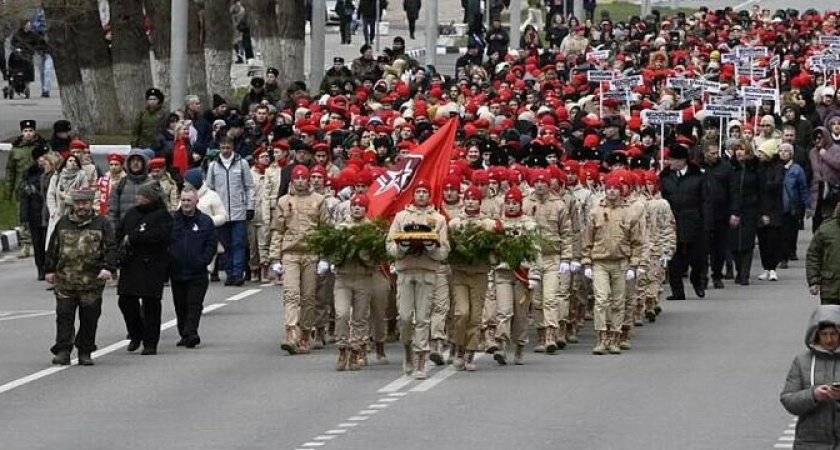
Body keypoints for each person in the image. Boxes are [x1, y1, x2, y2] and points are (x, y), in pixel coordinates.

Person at [44, 188, 118, 366]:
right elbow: (53, 247)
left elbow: (111, 248)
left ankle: (85, 351)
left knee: (89, 318)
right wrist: (49, 270)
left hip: (91, 282)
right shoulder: (63, 223)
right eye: (78, 203)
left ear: (90, 203)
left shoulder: (102, 223)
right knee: (64, 316)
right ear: (73, 204)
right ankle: (63, 350)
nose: (81, 207)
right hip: (65, 281)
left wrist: (108, 267)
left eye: (85, 203)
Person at [386, 181, 449, 379]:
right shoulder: (401, 216)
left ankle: (421, 359)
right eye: (418, 192)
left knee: (423, 318)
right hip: (405, 271)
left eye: (425, 192)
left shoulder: (438, 219)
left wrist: (431, 246)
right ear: (413, 195)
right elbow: (389, 245)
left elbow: (445, 251)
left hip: (427, 271)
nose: (421, 195)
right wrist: (403, 246)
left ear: (430, 195)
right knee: (405, 318)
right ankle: (407, 350)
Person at [269, 164, 329, 355]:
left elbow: (325, 229)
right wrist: (274, 258)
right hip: (290, 254)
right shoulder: (284, 201)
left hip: (311, 254)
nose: (301, 181)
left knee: (309, 297)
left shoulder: (319, 201)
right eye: (297, 178)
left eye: (304, 178)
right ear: (292, 180)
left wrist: (325, 258)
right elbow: (278, 230)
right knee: (291, 294)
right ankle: (290, 333)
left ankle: (305, 334)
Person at [582, 172, 643, 355]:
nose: (612, 192)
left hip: (621, 262)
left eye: (615, 189)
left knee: (618, 302)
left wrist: (634, 265)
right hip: (600, 261)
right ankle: (601, 337)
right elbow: (587, 239)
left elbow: (636, 241)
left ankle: (615, 337)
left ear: (621, 191)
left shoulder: (629, 213)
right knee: (601, 300)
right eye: (609, 189)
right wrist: (586, 262)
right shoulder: (595, 212)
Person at [116, 184, 172, 355]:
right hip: (131, 263)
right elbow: (120, 232)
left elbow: (161, 236)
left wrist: (134, 237)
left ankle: (150, 342)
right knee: (125, 300)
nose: (138, 198)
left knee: (151, 304)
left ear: (149, 198)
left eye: (142, 196)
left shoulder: (162, 215)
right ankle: (136, 332)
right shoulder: (132, 213)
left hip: (152, 264)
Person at [447, 186, 496, 371]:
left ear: (479, 202)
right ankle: (458, 347)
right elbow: (448, 246)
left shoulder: (487, 224)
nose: (470, 202)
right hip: (459, 273)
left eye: (474, 199)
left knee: (476, 316)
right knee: (461, 313)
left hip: (479, 274)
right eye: (467, 198)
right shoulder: (455, 223)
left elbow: (495, 248)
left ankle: (470, 351)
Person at [780, 305, 840, 448]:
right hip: (810, 443)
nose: (829, 339)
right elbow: (788, 400)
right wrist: (813, 395)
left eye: (834, 334)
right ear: (816, 335)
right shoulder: (802, 362)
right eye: (824, 334)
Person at [661, 145, 711, 300]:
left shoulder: (698, 176)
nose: (670, 162)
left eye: (673, 159)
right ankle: (677, 292)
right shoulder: (665, 177)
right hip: (673, 221)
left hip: (694, 221)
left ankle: (698, 281)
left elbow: (706, 201)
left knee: (697, 258)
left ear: (682, 161)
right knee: (674, 259)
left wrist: (707, 223)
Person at [331, 194, 375, 371]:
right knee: (341, 314)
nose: (357, 208)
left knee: (360, 317)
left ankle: (356, 349)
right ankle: (342, 348)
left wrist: (361, 250)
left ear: (366, 209)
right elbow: (334, 253)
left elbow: (375, 259)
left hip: (363, 278)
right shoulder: (341, 228)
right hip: (343, 277)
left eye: (361, 206)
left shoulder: (371, 230)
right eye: (354, 205)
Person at [170, 187, 218, 348]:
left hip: (197, 273)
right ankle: (183, 333)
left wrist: (203, 260)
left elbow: (212, 245)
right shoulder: (173, 220)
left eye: (188, 200)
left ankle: (191, 332)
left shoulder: (205, 221)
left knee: (194, 304)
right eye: (183, 200)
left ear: (196, 201)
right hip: (177, 272)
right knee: (180, 305)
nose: (185, 204)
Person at [205, 136, 256, 285]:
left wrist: (250, 206)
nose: (226, 151)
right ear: (219, 148)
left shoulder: (242, 164)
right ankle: (229, 274)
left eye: (228, 147)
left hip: (238, 210)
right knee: (225, 245)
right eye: (223, 148)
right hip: (221, 212)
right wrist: (210, 209)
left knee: (239, 243)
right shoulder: (213, 166)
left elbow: (249, 186)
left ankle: (238, 273)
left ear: (232, 147)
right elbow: (209, 189)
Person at [728, 140, 762, 285]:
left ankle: (744, 274)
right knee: (734, 243)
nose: (739, 152)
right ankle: (738, 268)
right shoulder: (730, 168)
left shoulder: (755, 168)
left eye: (742, 149)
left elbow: (761, 190)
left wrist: (762, 212)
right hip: (733, 209)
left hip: (750, 209)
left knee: (747, 243)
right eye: (737, 149)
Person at [701, 142, 732, 289]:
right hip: (702, 214)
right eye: (712, 153)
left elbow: (732, 190)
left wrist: (734, 211)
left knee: (719, 248)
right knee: (702, 248)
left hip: (721, 213)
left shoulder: (725, 167)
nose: (715, 156)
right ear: (705, 153)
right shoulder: (698, 168)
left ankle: (717, 275)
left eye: (716, 153)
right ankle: (702, 276)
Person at [19, 144, 50, 279]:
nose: (44, 160)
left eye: (45, 157)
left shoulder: (53, 173)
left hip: (48, 213)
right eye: (41, 157)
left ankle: (50, 268)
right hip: (35, 214)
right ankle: (40, 268)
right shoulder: (29, 175)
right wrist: (24, 217)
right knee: (37, 243)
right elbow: (24, 197)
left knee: (48, 242)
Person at [756, 141, 785, 281]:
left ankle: (773, 267)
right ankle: (765, 267)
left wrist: (767, 184)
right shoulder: (758, 168)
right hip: (761, 208)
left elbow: (777, 184)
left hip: (774, 209)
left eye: (762, 152)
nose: (759, 155)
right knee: (762, 241)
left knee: (773, 240)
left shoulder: (778, 167)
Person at [779, 143, 810, 268]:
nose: (783, 153)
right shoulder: (775, 167)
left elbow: (803, 188)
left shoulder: (797, 169)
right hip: (777, 206)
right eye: (781, 151)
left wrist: (807, 205)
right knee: (778, 233)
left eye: (786, 151)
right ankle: (780, 255)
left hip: (791, 206)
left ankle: (785, 256)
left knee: (789, 233)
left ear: (791, 154)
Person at [108, 148, 155, 230]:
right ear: (128, 163)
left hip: (148, 234)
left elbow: (162, 212)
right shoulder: (120, 185)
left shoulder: (153, 184)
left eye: (139, 160)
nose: (135, 163)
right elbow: (112, 213)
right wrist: (114, 233)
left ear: (144, 163)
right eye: (133, 160)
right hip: (125, 233)